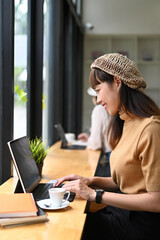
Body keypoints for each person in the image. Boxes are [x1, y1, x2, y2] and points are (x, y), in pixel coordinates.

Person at [54, 53, 160, 240]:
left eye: (98, 89)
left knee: (66, 231)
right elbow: (128, 181)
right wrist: (89, 180)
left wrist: (96, 195)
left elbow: (156, 200)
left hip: (140, 226)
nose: (98, 99)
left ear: (117, 82)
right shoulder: (125, 122)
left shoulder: (150, 129)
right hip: (123, 214)